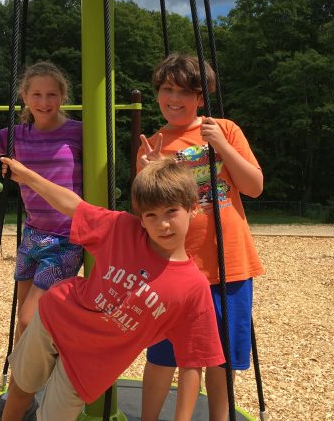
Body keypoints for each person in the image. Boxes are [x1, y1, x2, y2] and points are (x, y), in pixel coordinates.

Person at [0, 156, 225, 421]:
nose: (162, 224)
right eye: (151, 215)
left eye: (171, 212)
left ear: (193, 208)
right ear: (140, 219)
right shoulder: (122, 229)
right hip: (55, 318)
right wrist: (26, 175)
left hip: (89, 362)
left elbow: (192, 363)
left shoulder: (192, 288)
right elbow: (74, 206)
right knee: (21, 390)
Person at [138, 53, 264, 421]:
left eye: (183, 91)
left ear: (200, 96)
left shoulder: (224, 129)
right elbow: (143, 214)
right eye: (166, 89)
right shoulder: (155, 144)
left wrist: (221, 146)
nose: (173, 98)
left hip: (229, 263)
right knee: (163, 352)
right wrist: (146, 174)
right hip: (174, 267)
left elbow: (253, 187)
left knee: (221, 357)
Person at [0, 61, 83, 419]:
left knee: (31, 320)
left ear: (62, 96)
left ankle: (31, 388)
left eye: (52, 94)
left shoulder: (79, 132)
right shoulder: (17, 135)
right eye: (37, 94)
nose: (45, 101)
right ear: (24, 97)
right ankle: (22, 390)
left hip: (67, 237)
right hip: (32, 235)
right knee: (22, 319)